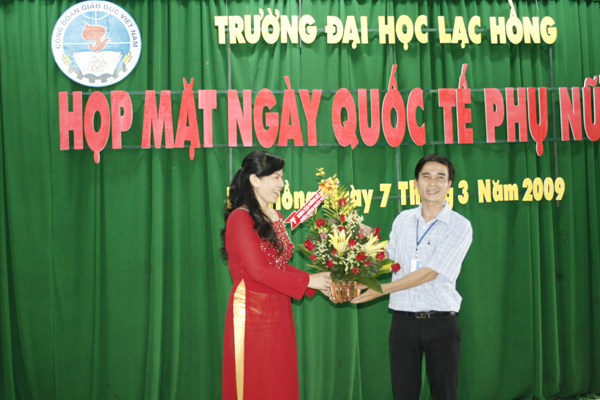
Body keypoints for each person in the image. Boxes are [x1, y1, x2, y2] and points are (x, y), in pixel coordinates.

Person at [352, 154, 472, 400]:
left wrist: (381, 290)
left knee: (445, 394)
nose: (433, 183)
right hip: (403, 323)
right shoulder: (403, 220)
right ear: (416, 183)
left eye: (441, 177)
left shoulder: (459, 225)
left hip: (441, 323)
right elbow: (390, 261)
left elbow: (430, 272)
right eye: (426, 176)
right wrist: (367, 242)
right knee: (403, 394)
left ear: (449, 184)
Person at [221, 150, 332, 400]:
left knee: (279, 381)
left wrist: (319, 282)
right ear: (254, 180)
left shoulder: (274, 216)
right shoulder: (239, 218)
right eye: (276, 177)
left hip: (279, 308)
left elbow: (278, 265)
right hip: (251, 312)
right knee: (255, 382)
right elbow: (258, 270)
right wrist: (308, 281)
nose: (281, 184)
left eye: (281, 177)